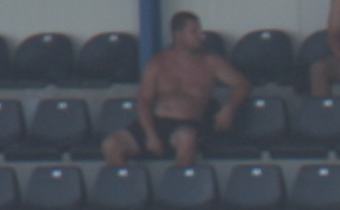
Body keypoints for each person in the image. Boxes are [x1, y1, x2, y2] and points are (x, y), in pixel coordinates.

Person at [102, 10, 248, 167]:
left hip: (188, 124)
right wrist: (150, 135)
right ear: (178, 35)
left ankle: (177, 187)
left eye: (200, 31)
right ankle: (126, 188)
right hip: (156, 122)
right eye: (194, 32)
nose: (201, 36)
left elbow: (243, 84)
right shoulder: (158, 62)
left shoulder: (211, 62)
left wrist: (229, 108)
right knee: (111, 144)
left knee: (187, 138)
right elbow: (144, 101)